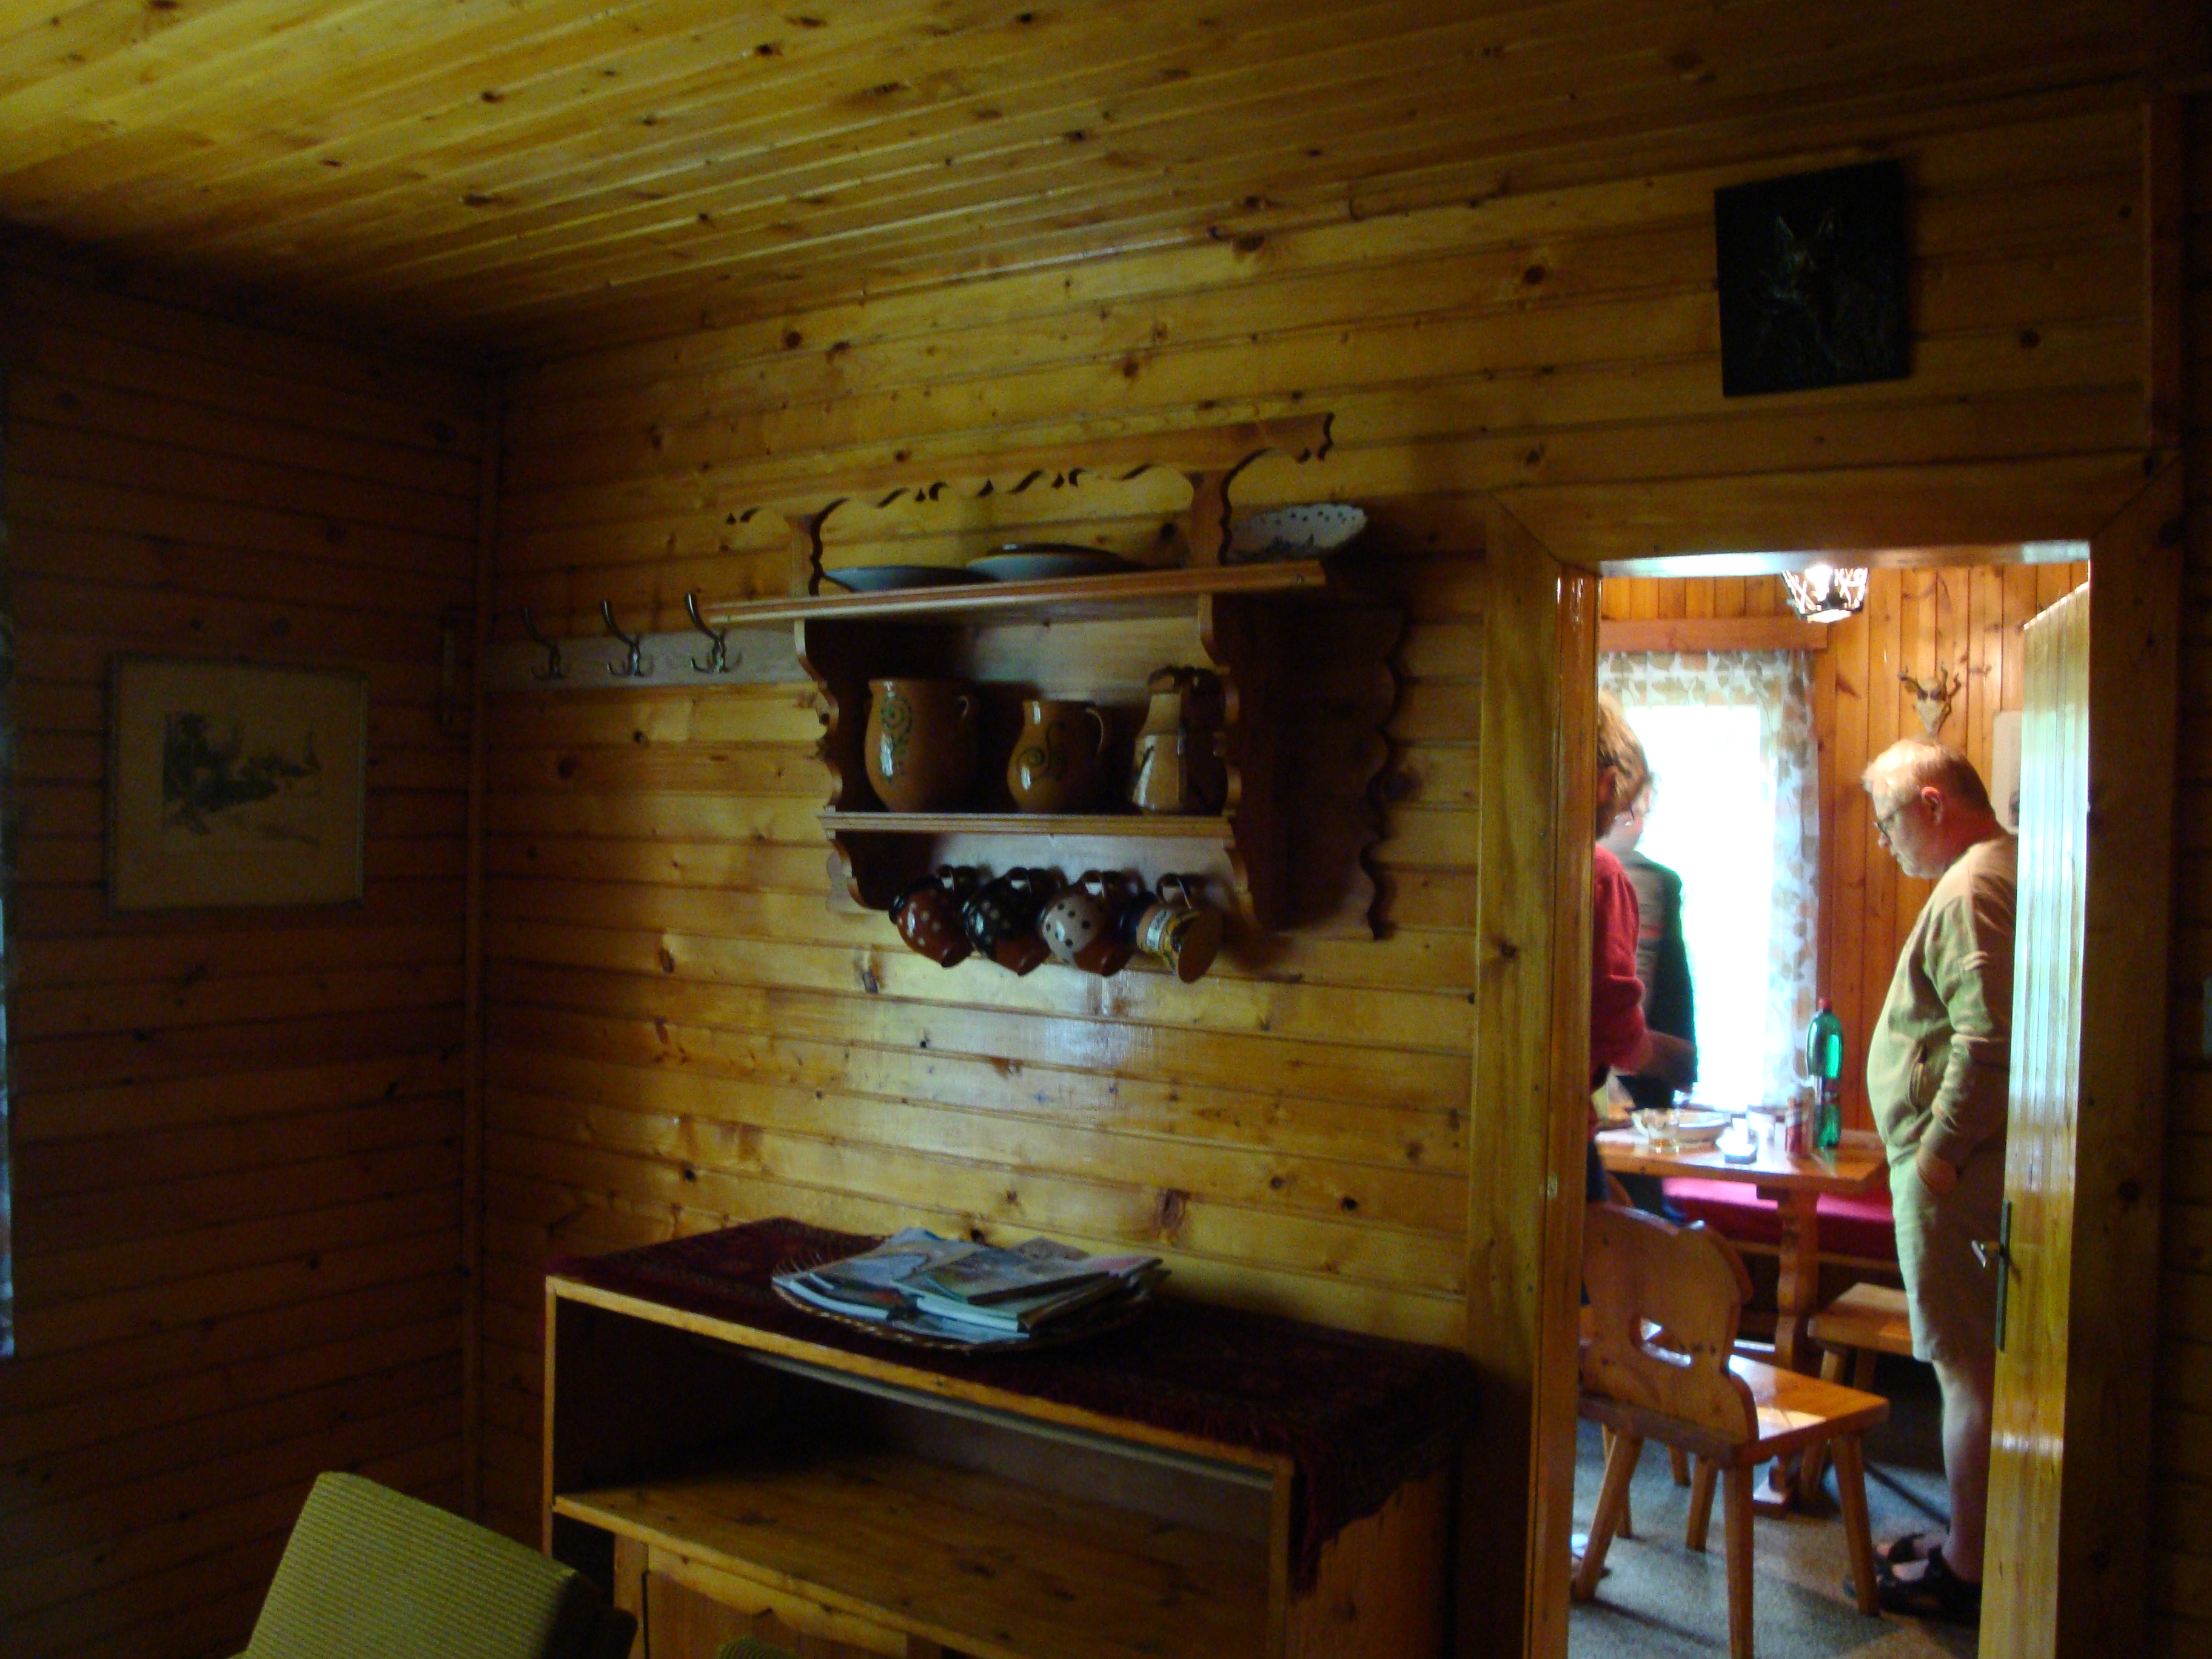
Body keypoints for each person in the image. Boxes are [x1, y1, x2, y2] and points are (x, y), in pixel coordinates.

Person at [1859, 736, 2016, 1626]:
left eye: (1888, 822)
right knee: (1971, 1365)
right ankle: (1971, 1534)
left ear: (1931, 803)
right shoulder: (1997, 870)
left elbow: (1986, 1041)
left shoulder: (1969, 887)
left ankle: (1965, 1567)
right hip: (1961, 1169)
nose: (1885, 842)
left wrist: (1940, 1154)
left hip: (1954, 1173)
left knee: (1964, 1371)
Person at [1587, 696, 1697, 1207]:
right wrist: (1669, 1057)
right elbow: (1615, 1025)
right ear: (1606, 784)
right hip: (1560, 1131)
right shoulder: (1603, 874)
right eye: (1625, 806)